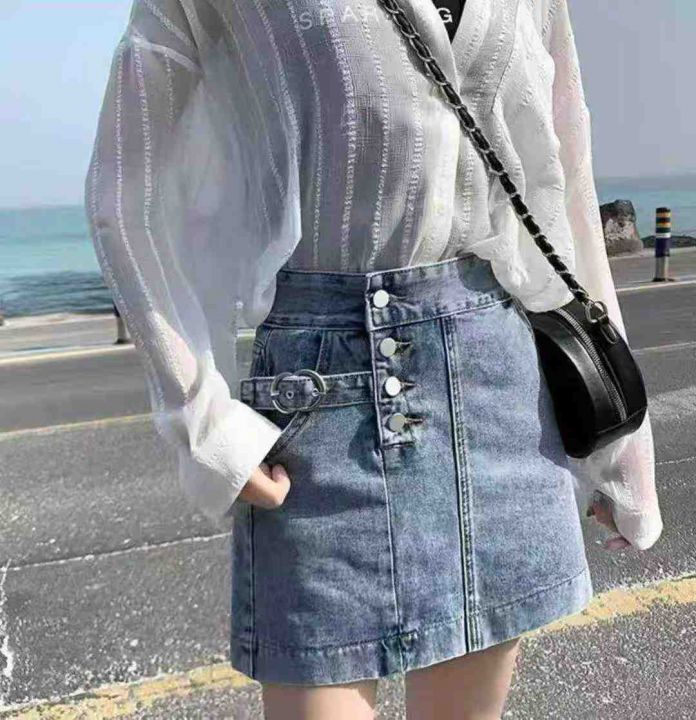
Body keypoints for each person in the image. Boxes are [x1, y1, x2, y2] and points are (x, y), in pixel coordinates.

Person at [84, 1, 663, 718]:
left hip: (498, 386)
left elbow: (567, 173)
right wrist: (200, 419)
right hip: (323, 403)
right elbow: (123, 189)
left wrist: (621, 446)